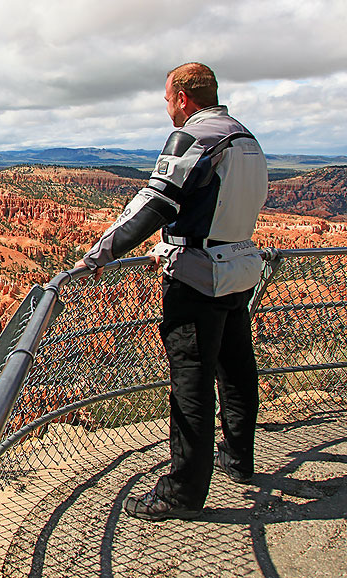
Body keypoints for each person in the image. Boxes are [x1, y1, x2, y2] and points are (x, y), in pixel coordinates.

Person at [76, 62, 268, 521]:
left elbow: (155, 202)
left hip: (198, 278)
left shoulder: (195, 138)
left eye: (166, 99)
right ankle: (239, 459)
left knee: (192, 387)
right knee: (238, 367)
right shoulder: (248, 139)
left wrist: (99, 254)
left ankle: (180, 493)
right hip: (240, 270)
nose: (167, 108)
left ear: (183, 97)